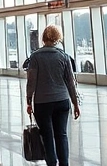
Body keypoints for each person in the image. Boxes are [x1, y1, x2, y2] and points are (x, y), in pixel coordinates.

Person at [26, 25, 80, 166]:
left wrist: (28, 101)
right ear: (58, 38)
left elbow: (31, 82)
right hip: (62, 101)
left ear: (43, 38)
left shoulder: (35, 56)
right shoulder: (64, 56)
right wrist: (75, 103)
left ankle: (51, 163)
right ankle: (64, 164)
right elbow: (70, 82)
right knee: (61, 135)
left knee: (47, 136)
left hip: (42, 102)